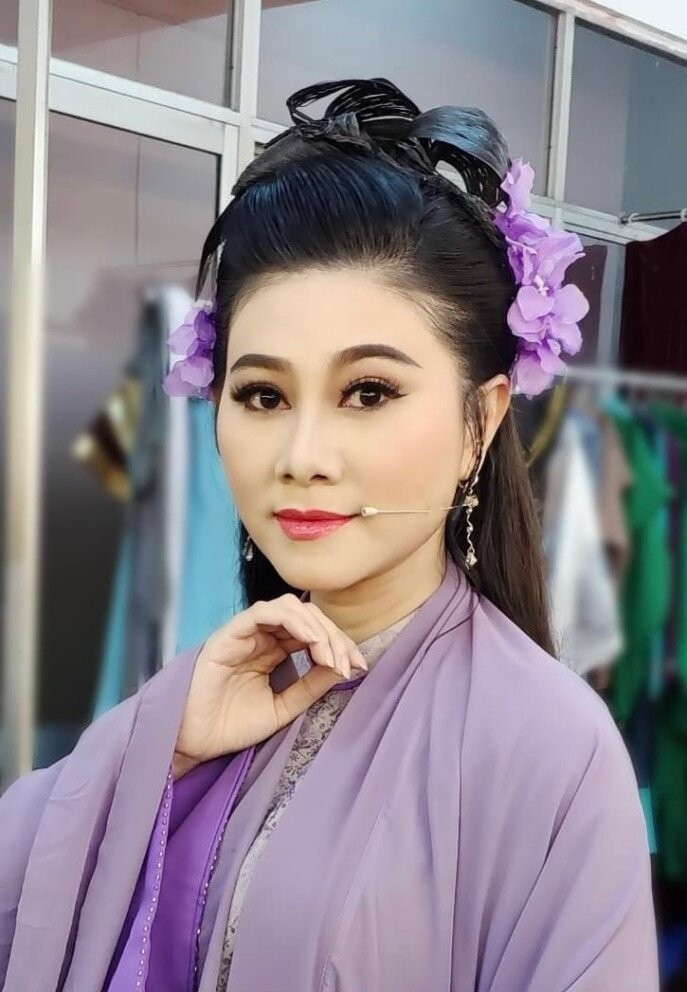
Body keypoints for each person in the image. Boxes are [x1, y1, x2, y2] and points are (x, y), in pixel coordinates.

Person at [0, 78, 658, 992]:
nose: (301, 456)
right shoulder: (222, 686)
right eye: (262, 395)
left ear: (480, 420)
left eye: (368, 392)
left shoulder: (550, 749)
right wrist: (166, 748)